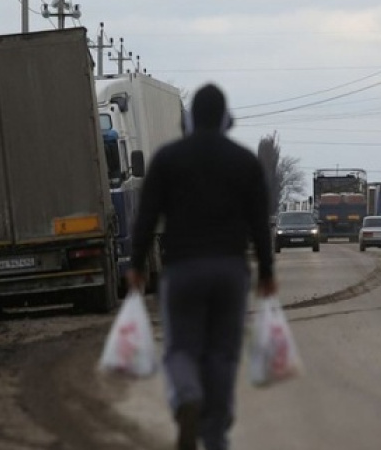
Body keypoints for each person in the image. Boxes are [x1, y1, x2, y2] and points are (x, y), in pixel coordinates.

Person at [126, 83, 277, 450]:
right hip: (229, 270)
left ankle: (188, 396)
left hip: (183, 270)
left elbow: (146, 216)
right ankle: (214, 435)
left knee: (181, 349)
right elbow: (260, 220)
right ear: (226, 119)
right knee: (222, 353)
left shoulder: (168, 158)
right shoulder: (244, 162)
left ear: (191, 118)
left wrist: (137, 264)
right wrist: (267, 272)